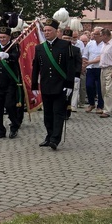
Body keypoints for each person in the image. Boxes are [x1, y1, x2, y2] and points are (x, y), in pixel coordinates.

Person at [31, 19, 75, 150]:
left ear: (57, 31)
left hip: (60, 86)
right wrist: (34, 85)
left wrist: (69, 85)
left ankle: (55, 139)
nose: (46, 33)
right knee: (48, 114)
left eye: (49, 30)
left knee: (58, 113)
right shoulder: (39, 48)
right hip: (46, 85)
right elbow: (36, 68)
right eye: (45, 30)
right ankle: (49, 136)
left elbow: (70, 67)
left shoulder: (65, 45)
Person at [0, 22, 23, 139]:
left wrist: (8, 56)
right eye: (0, 37)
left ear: (9, 38)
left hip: (10, 83)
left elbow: (16, 56)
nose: (2, 39)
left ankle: (14, 126)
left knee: (9, 106)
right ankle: (0, 130)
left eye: (4, 37)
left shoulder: (14, 47)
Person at [97, 28, 112, 118]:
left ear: (105, 35)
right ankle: (108, 107)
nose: (99, 37)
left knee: (109, 90)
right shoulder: (103, 45)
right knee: (103, 90)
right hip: (103, 69)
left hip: (111, 68)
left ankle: (107, 110)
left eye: (100, 35)